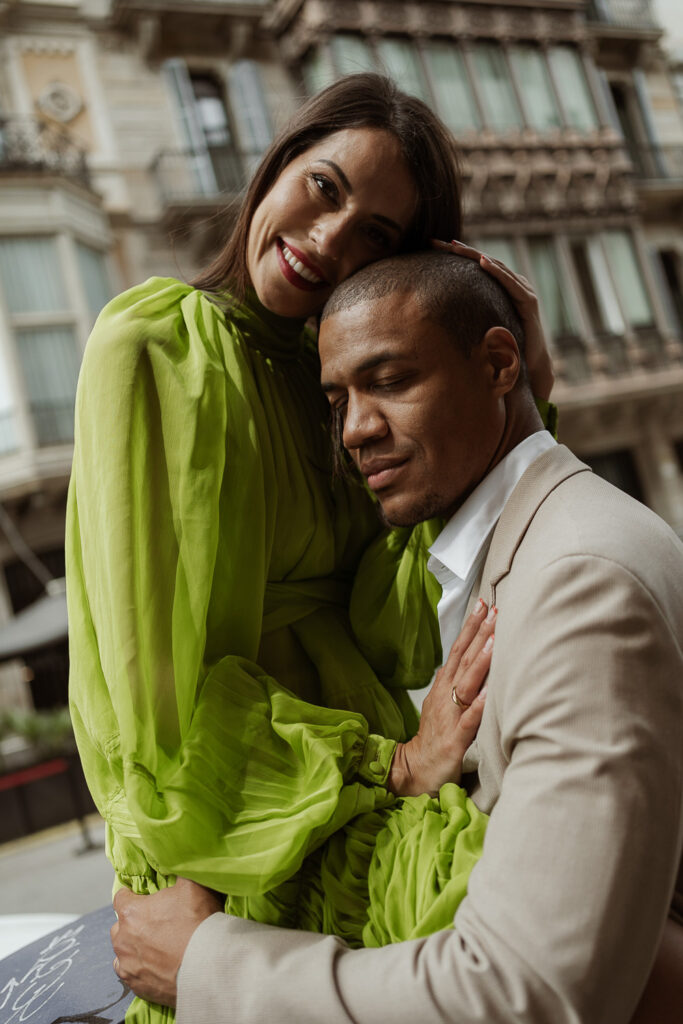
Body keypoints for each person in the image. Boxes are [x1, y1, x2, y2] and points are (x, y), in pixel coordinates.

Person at [68, 75, 554, 1023]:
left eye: (375, 234)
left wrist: (519, 385)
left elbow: (398, 633)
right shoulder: (157, 343)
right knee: (543, 929)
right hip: (240, 824)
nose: (328, 239)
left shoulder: (336, 386)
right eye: (325, 188)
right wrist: (389, 767)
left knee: (601, 895)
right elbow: (151, 707)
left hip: (364, 780)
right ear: (277, 163)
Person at [112, 252, 683, 1024]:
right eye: (337, 398)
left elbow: (530, 992)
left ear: (497, 364)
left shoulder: (580, 580)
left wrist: (206, 965)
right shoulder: (485, 561)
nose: (355, 430)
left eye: (389, 380)